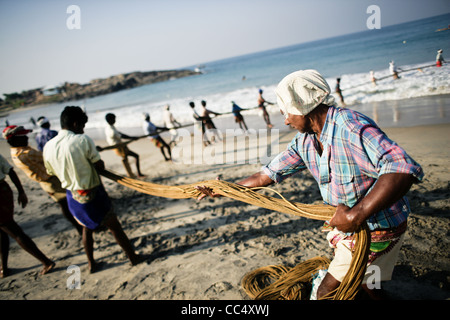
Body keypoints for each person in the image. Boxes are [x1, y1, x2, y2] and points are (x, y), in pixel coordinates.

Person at [196, 69, 423, 300]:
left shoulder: (350, 126)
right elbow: (266, 175)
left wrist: (357, 214)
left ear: (302, 105)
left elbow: (402, 167)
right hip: (350, 229)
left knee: (326, 291)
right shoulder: (305, 140)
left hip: (378, 229)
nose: (286, 120)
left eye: (287, 113)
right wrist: (225, 189)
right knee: (368, 285)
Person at [43, 106, 144, 273]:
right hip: (92, 193)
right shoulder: (82, 140)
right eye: (82, 126)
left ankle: (91, 263)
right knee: (114, 226)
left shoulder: (48, 146)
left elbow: (51, 172)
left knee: (86, 227)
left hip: (72, 196)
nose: (82, 129)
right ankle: (133, 257)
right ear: (75, 124)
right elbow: (99, 165)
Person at [3, 125, 82, 235]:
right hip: (52, 181)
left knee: (64, 204)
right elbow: (48, 157)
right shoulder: (26, 153)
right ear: (15, 139)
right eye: (23, 136)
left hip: (45, 182)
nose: (27, 138)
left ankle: (79, 227)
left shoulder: (15, 152)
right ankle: (81, 227)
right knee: (69, 203)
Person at [0, 153, 55, 278]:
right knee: (3, 231)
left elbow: (10, 171)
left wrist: (21, 191)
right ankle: (4, 267)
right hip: (3, 189)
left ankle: (46, 261)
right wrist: (20, 191)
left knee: (11, 229)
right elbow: (10, 171)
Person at [104, 113, 144, 178]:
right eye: (114, 119)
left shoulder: (110, 127)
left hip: (120, 146)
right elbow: (121, 136)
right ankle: (133, 175)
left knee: (128, 158)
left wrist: (131, 137)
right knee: (127, 159)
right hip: (118, 147)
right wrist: (132, 137)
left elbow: (119, 133)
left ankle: (133, 174)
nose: (115, 120)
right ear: (110, 120)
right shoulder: (111, 130)